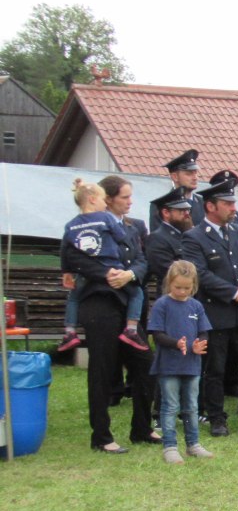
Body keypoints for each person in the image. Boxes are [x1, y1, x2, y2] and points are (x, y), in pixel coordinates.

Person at [63, 174, 157, 453]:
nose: (130, 202)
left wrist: (129, 274)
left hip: (128, 303)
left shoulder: (132, 227)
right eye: (124, 197)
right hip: (99, 303)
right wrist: (107, 275)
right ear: (108, 199)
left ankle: (141, 429)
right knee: (102, 370)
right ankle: (102, 437)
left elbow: (142, 260)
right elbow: (73, 260)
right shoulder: (82, 227)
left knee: (146, 365)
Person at [181, 169, 238, 436]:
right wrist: (234, 292)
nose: (234, 208)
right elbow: (199, 273)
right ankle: (217, 417)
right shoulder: (194, 237)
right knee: (216, 369)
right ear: (210, 206)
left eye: (234, 203)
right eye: (228, 203)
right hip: (216, 311)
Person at [60, 177, 148, 353]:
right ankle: (131, 329)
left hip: (99, 280)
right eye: (125, 197)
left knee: (73, 297)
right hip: (103, 284)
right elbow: (121, 237)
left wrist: (66, 272)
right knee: (136, 294)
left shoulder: (72, 225)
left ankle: (69, 331)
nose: (130, 201)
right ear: (99, 199)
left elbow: (65, 249)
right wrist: (108, 271)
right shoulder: (106, 219)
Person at [148, 260, 214, 463]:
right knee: (170, 406)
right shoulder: (162, 304)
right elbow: (157, 334)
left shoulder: (196, 305)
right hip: (168, 365)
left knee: (192, 406)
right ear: (169, 283)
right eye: (178, 287)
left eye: (187, 288)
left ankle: (193, 444)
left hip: (192, 365)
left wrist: (198, 344)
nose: (182, 291)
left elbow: (204, 332)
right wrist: (176, 344)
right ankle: (170, 446)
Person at [145, 187, 193, 300]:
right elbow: (169, 272)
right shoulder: (157, 238)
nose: (187, 214)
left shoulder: (189, 235)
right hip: (171, 299)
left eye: (187, 210)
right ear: (166, 212)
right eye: (181, 210)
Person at [149, 149, 205, 230]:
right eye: (189, 174)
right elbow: (158, 238)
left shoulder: (204, 203)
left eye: (195, 173)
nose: (195, 178)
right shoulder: (160, 205)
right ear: (175, 177)